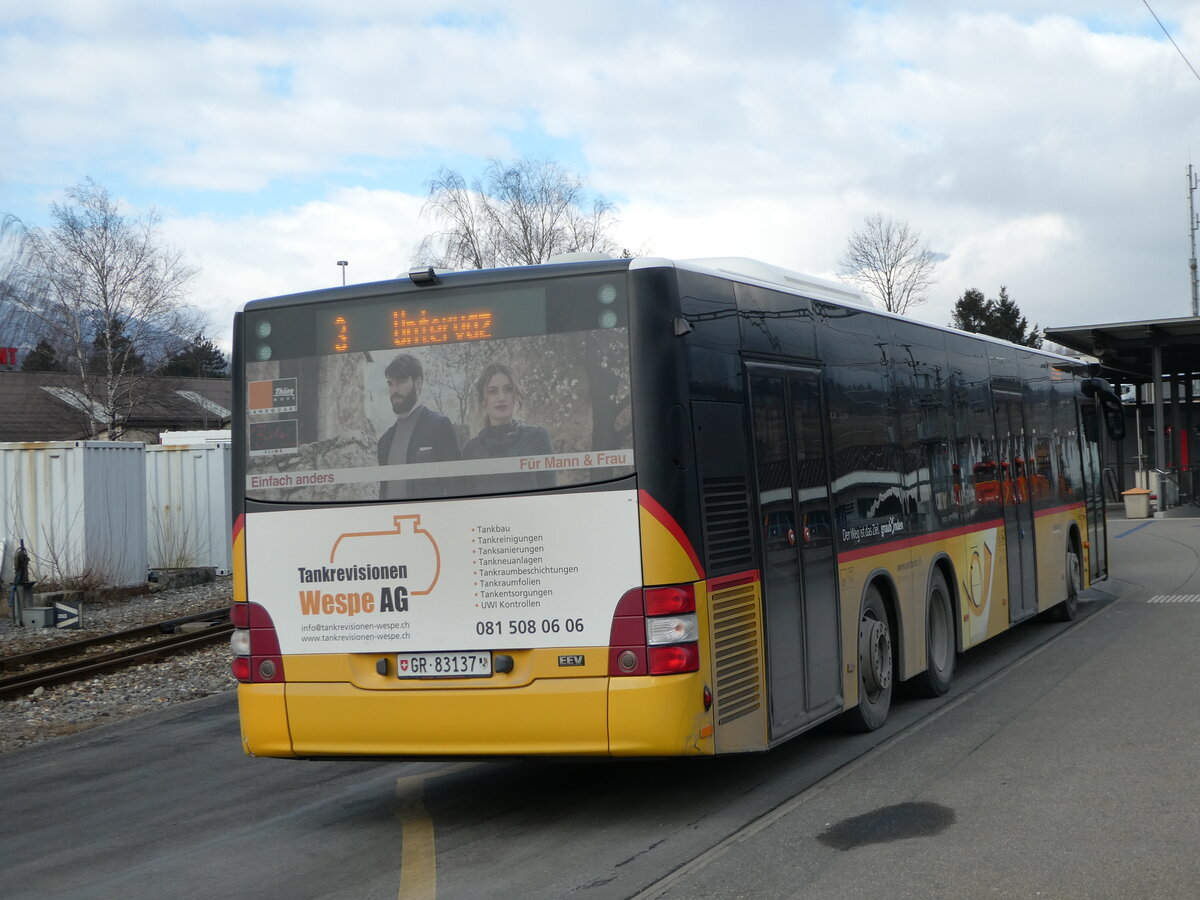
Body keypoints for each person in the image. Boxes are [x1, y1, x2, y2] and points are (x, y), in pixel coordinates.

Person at [377, 353, 460, 499]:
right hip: (394, 520)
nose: (394, 390)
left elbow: (456, 486)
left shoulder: (439, 425)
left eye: (401, 381)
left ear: (418, 383)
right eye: (390, 383)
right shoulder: (384, 442)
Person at [462, 363, 555, 490]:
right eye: (493, 391)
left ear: (516, 395)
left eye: (508, 389)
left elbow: (550, 494)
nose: (501, 398)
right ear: (483, 400)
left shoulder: (537, 437)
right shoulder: (471, 450)